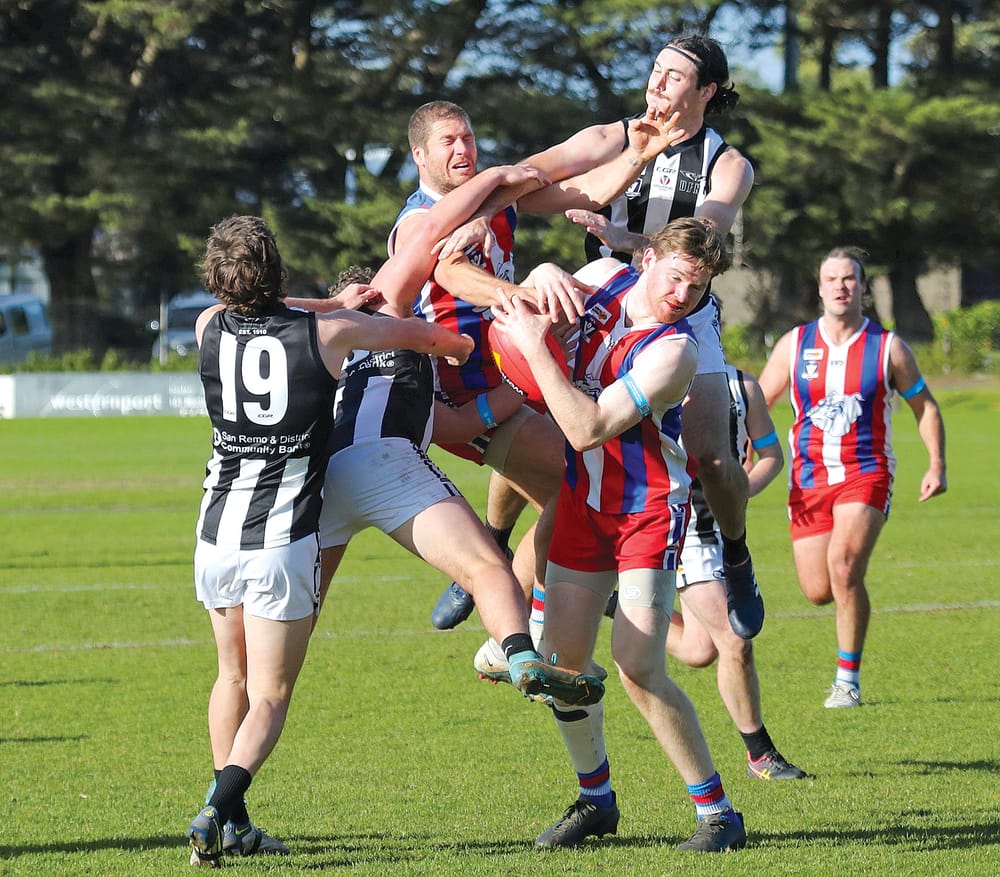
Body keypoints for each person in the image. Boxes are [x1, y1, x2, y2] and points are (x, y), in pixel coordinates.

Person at [184, 192, 525, 864]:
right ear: (279, 272)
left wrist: (328, 303)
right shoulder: (327, 335)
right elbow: (423, 336)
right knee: (274, 696)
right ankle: (214, 809)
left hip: (213, 533)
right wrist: (455, 342)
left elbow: (251, 309)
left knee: (233, 679)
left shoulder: (205, 326)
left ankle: (235, 824)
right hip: (282, 540)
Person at [443, 35, 764, 640]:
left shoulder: (727, 165)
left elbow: (702, 247)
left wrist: (629, 242)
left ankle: (737, 555)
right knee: (540, 409)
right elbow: (528, 183)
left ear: (706, 91)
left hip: (680, 307)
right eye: (656, 70)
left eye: (674, 76)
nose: (658, 82)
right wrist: (487, 210)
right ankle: (489, 545)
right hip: (605, 293)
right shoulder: (611, 136)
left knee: (717, 458)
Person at [493, 217, 747, 852]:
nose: (683, 294)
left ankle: (717, 813)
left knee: (637, 667)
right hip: (585, 504)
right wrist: (542, 276)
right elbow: (525, 302)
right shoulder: (603, 278)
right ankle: (596, 800)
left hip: (646, 510)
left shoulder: (676, 350)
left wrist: (538, 349)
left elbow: (585, 427)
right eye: (677, 276)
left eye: (699, 287)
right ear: (650, 257)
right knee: (563, 667)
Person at [387, 100, 686, 636]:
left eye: (468, 137)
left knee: (568, 471)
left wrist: (636, 155)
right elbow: (452, 275)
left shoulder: (492, 198)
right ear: (419, 155)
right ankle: (526, 613)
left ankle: (512, 557)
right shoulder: (417, 221)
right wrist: (524, 295)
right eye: (448, 142)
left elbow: (579, 191)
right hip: (460, 390)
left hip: (506, 367)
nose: (464, 150)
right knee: (573, 485)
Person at [757, 247, 947, 708]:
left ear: (862, 287)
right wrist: (743, 453)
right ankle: (846, 638)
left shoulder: (888, 347)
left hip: (866, 472)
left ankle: (847, 680)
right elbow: (758, 406)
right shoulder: (795, 344)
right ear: (819, 288)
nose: (841, 286)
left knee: (843, 567)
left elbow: (925, 407)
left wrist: (936, 463)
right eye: (832, 279)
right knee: (819, 589)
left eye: (849, 279)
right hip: (808, 479)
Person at [662, 365, 806, 779]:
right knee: (734, 638)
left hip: (726, 531)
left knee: (698, 650)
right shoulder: (658, 372)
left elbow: (772, 455)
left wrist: (739, 489)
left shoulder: (742, 387)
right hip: (684, 529)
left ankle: (616, 605)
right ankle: (760, 754)